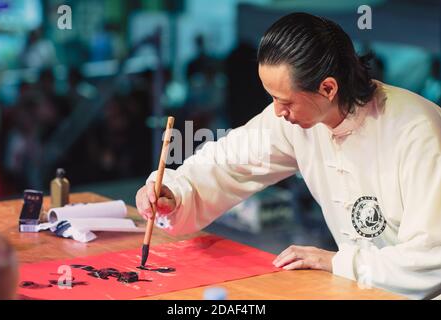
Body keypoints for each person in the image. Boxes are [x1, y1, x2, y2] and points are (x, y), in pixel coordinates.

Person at [135, 12, 441, 299]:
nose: (278, 112)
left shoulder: (417, 131)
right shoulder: (297, 119)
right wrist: (174, 190)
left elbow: (432, 257)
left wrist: (337, 262)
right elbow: (229, 161)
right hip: (358, 288)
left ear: (328, 88)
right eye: (272, 99)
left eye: (285, 101)